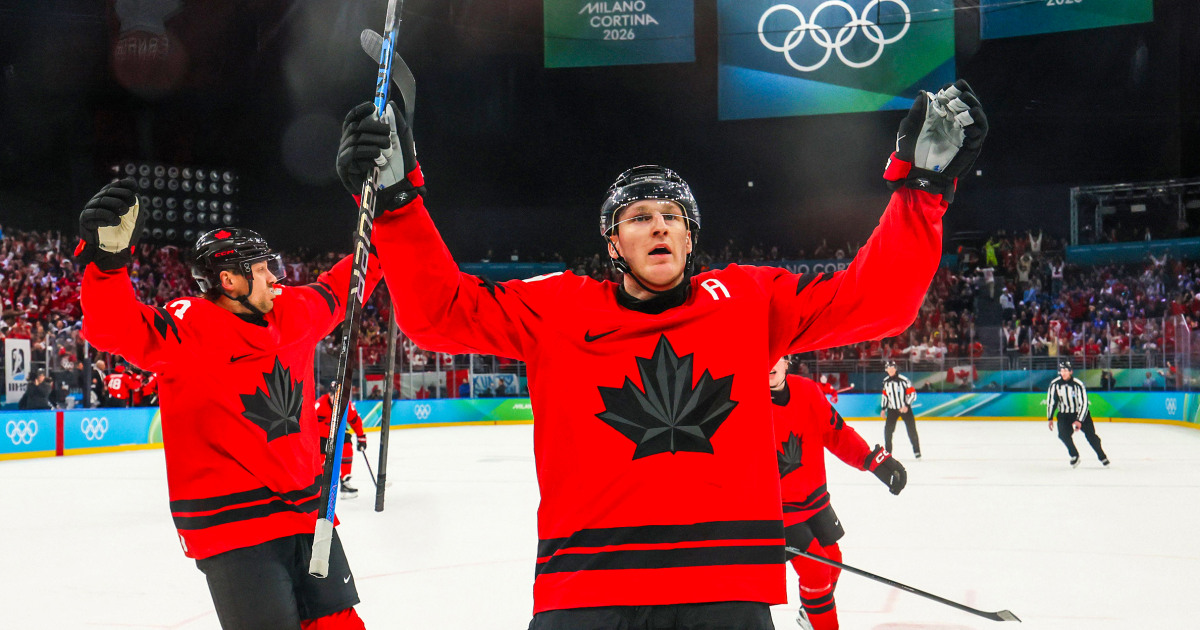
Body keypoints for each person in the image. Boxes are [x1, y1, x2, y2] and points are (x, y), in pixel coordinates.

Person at [339, 77, 985, 627]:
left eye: (673, 216)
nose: (659, 225)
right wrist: (397, 205)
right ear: (613, 243)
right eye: (639, 215)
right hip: (588, 592)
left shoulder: (748, 299)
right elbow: (439, 314)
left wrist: (923, 187)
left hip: (726, 590)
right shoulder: (556, 306)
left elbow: (878, 303)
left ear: (689, 237)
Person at [76, 179, 381, 629]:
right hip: (235, 529)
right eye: (262, 269)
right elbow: (113, 327)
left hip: (308, 514)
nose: (276, 277)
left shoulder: (292, 311)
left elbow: (342, 287)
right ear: (229, 280)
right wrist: (105, 267)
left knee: (342, 624)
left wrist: (387, 223)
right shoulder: (187, 328)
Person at [769, 358, 905, 630]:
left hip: (815, 499)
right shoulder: (745, 403)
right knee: (816, 570)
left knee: (833, 560)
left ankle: (811, 613)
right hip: (778, 509)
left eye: (775, 356)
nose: (768, 364)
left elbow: (836, 433)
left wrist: (872, 460)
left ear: (787, 361)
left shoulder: (807, 391)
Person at [1046, 360, 1109, 468]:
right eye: (1061, 370)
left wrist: (1079, 420)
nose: (1063, 373)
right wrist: (1050, 417)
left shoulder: (1078, 385)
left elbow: (1083, 403)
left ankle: (1102, 456)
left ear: (1071, 371)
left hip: (1080, 413)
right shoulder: (1054, 384)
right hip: (1064, 414)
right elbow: (1052, 401)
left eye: (1066, 370)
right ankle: (1074, 455)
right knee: (1063, 435)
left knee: (1091, 436)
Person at [315, 382, 369, 499]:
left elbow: (355, 421)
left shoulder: (347, 406)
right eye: (334, 395)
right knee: (321, 461)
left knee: (347, 447)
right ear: (329, 394)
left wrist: (361, 438)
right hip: (321, 437)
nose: (337, 400)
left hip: (338, 434)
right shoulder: (319, 405)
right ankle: (321, 486)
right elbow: (308, 423)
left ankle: (345, 482)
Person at [880, 360, 921, 459]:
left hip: (905, 409)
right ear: (886, 370)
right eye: (888, 368)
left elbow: (913, 394)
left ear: (895, 368)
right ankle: (888, 453)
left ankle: (917, 451)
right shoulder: (885, 381)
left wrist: (906, 405)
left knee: (911, 430)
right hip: (892, 410)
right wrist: (883, 408)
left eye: (892, 368)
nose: (890, 370)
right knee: (888, 431)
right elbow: (885, 396)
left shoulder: (904, 380)